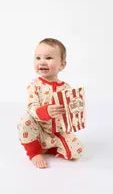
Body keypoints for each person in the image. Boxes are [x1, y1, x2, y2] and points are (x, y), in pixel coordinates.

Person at [17, 38, 84, 169]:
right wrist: (45, 111)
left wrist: (76, 115)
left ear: (62, 65)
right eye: (37, 58)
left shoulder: (66, 88)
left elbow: (71, 112)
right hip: (38, 130)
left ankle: (50, 147)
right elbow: (31, 107)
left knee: (78, 151)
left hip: (57, 133)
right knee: (24, 120)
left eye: (48, 58)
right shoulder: (34, 85)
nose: (42, 62)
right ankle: (35, 151)